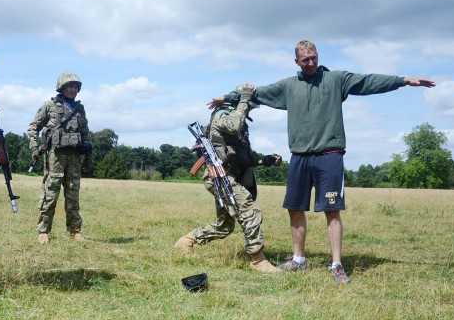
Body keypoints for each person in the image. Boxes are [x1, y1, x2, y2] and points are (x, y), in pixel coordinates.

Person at [215, 40, 436, 283]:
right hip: (299, 156)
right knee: (295, 208)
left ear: (317, 56)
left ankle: (337, 264)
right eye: (305, 60)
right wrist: (227, 97)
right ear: (297, 61)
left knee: (331, 210)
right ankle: (298, 260)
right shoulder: (288, 86)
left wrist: (403, 80)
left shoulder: (336, 79)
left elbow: (368, 81)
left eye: (313, 58)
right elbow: (257, 93)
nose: (310, 63)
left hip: (329, 155)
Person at [174, 86, 284, 274]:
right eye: (249, 105)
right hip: (219, 176)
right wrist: (244, 100)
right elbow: (232, 125)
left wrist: (266, 160)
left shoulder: (241, 124)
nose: (250, 109)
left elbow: (246, 158)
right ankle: (258, 260)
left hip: (228, 177)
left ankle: (186, 241)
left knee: (224, 226)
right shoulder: (222, 116)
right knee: (250, 210)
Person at [27, 73, 92, 245]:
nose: (73, 89)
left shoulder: (80, 109)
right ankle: (43, 231)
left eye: (76, 86)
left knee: (73, 194)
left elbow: (85, 131)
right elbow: (33, 127)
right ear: (62, 87)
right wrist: (34, 147)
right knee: (50, 193)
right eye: (70, 86)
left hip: (74, 157)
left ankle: (75, 231)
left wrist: (86, 145)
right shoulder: (49, 106)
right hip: (55, 156)